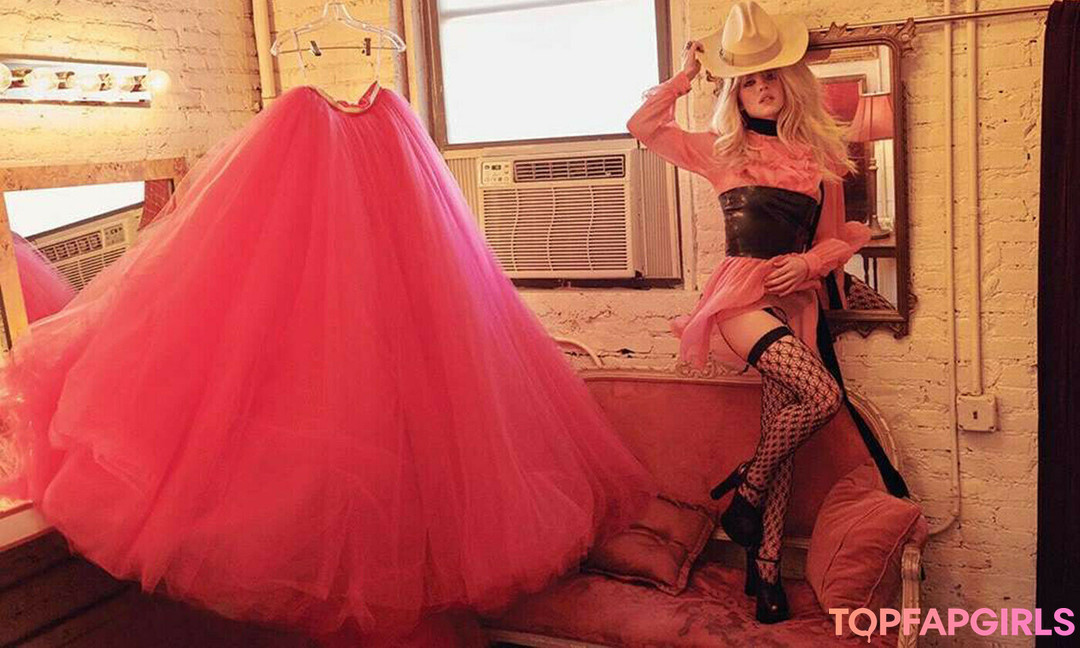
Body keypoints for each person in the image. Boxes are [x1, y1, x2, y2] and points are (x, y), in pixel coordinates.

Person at [0, 76, 653, 646]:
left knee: (371, 518)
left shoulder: (352, 129)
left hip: (373, 361)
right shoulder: (329, 128)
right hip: (356, 365)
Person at [627, 0, 906, 624]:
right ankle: (748, 487)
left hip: (794, 301)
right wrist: (685, 77)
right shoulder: (719, 150)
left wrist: (808, 265)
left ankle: (766, 567)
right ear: (736, 91)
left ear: (790, 83)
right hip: (740, 297)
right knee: (822, 396)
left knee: (782, 432)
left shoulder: (818, 157)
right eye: (748, 80)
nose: (760, 88)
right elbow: (643, 125)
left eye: (770, 76)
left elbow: (836, 240)